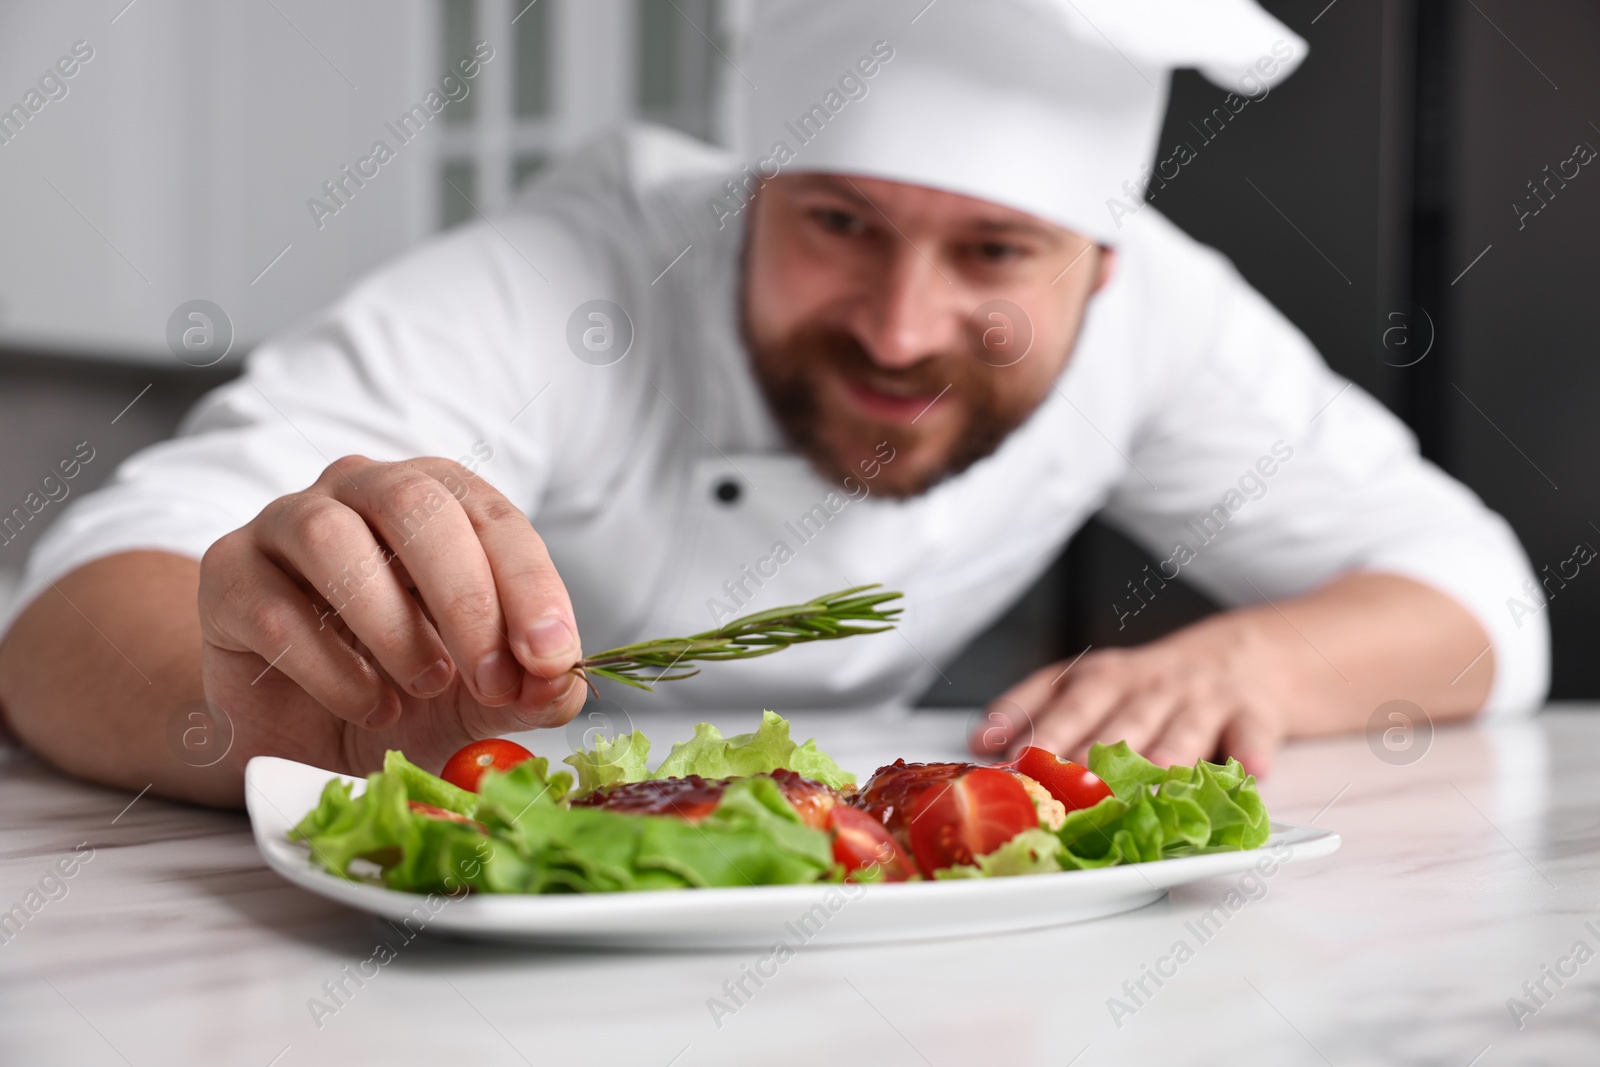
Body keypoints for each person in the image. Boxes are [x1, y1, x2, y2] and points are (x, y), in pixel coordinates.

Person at [0, 0, 1547, 807]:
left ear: (1101, 270)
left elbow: (1482, 597)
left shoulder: (1170, 316)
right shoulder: (566, 278)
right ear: (752, 192)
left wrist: (1257, 664)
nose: (897, 323)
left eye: (993, 251)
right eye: (838, 223)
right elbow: (66, 626)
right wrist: (271, 712)